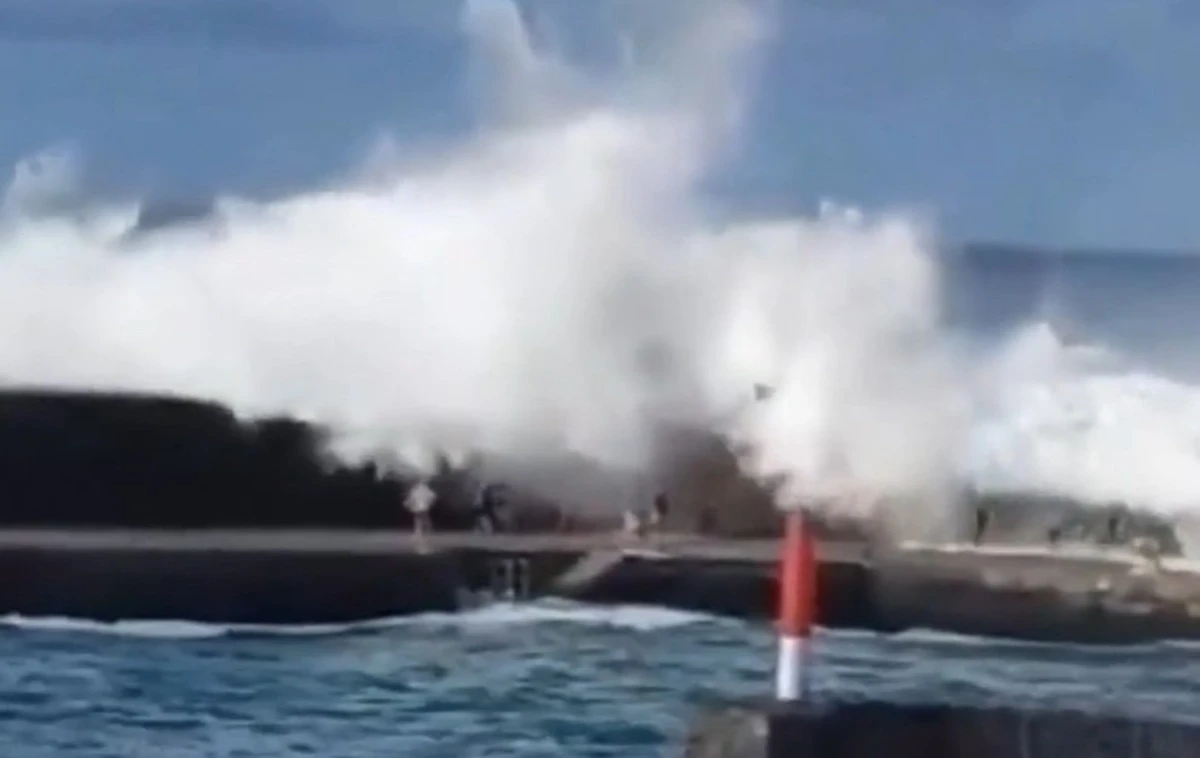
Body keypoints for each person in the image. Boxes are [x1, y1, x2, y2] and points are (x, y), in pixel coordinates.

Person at [405, 479, 436, 547]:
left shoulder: (418, 490)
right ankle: (421, 534)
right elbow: (433, 496)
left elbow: (411, 498)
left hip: (420, 507)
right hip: (422, 507)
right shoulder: (421, 490)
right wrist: (430, 503)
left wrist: (408, 503)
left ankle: (422, 534)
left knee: (421, 520)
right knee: (421, 520)